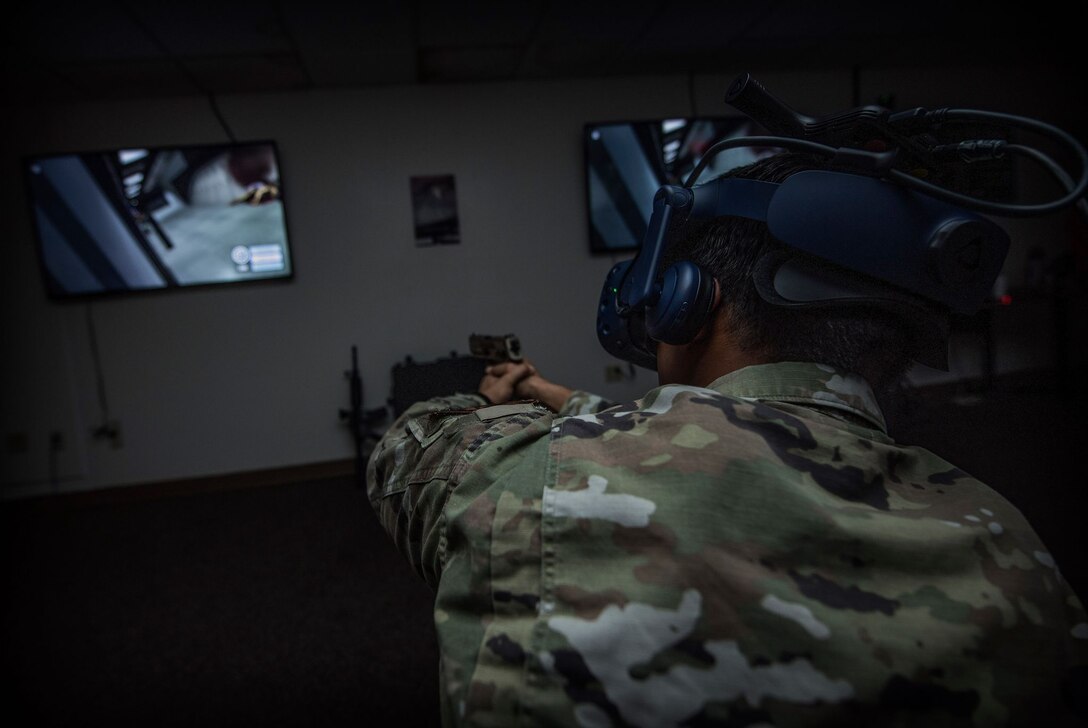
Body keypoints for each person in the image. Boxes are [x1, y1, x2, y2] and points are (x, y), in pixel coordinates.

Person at [366, 153, 1088, 727]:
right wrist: (561, 399)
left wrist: (496, 401)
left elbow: (412, 444)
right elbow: (727, 436)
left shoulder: (535, 483)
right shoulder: (1011, 546)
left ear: (686, 299)